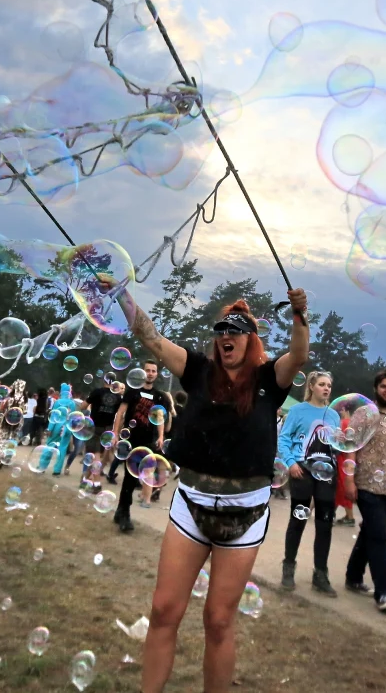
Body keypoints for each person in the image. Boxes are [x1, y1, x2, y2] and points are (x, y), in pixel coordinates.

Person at [117, 285, 307, 693]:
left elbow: (300, 356)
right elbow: (149, 337)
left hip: (246, 512)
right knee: (164, 608)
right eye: (221, 330)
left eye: (236, 331)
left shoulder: (268, 379)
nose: (227, 337)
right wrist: (121, 294)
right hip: (192, 503)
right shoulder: (198, 369)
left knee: (219, 620)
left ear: (250, 340)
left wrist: (299, 316)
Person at [343, 369, 386, 613]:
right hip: (367, 482)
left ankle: (353, 577)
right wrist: (349, 480)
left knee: (370, 531)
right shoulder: (364, 414)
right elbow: (351, 446)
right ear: (376, 389)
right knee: (379, 536)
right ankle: (384, 592)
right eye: (383, 386)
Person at [276, 370, 341, 596]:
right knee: (298, 520)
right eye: (322, 384)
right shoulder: (297, 411)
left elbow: (336, 445)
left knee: (325, 524)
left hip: (327, 473)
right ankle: (288, 568)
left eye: (329, 386)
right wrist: (291, 462)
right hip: (302, 471)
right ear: (311, 386)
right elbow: (283, 439)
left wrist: (341, 443)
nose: (326, 389)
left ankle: (320, 574)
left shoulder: (333, 416)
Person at [111, 363, 168, 533]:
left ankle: (120, 511)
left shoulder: (160, 397)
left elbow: (160, 417)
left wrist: (160, 436)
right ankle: (125, 514)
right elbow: (121, 413)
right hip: (130, 440)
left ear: (156, 374)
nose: (150, 373)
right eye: (147, 370)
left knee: (134, 478)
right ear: (142, 373)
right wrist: (115, 433)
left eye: (153, 371)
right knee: (129, 477)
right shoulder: (132, 392)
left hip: (147, 442)